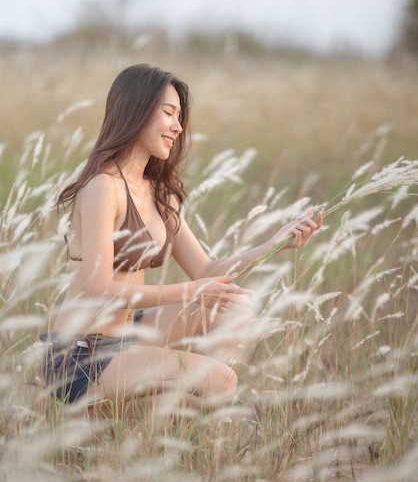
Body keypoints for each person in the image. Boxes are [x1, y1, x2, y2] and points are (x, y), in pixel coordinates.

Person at [39, 64, 322, 416]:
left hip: (131, 335)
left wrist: (276, 243)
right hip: (82, 353)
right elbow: (99, 288)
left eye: (180, 116)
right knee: (222, 384)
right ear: (136, 110)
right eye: (168, 113)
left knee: (236, 305)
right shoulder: (102, 187)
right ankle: (111, 407)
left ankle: (152, 403)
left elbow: (207, 269)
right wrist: (192, 292)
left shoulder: (159, 194)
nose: (178, 126)